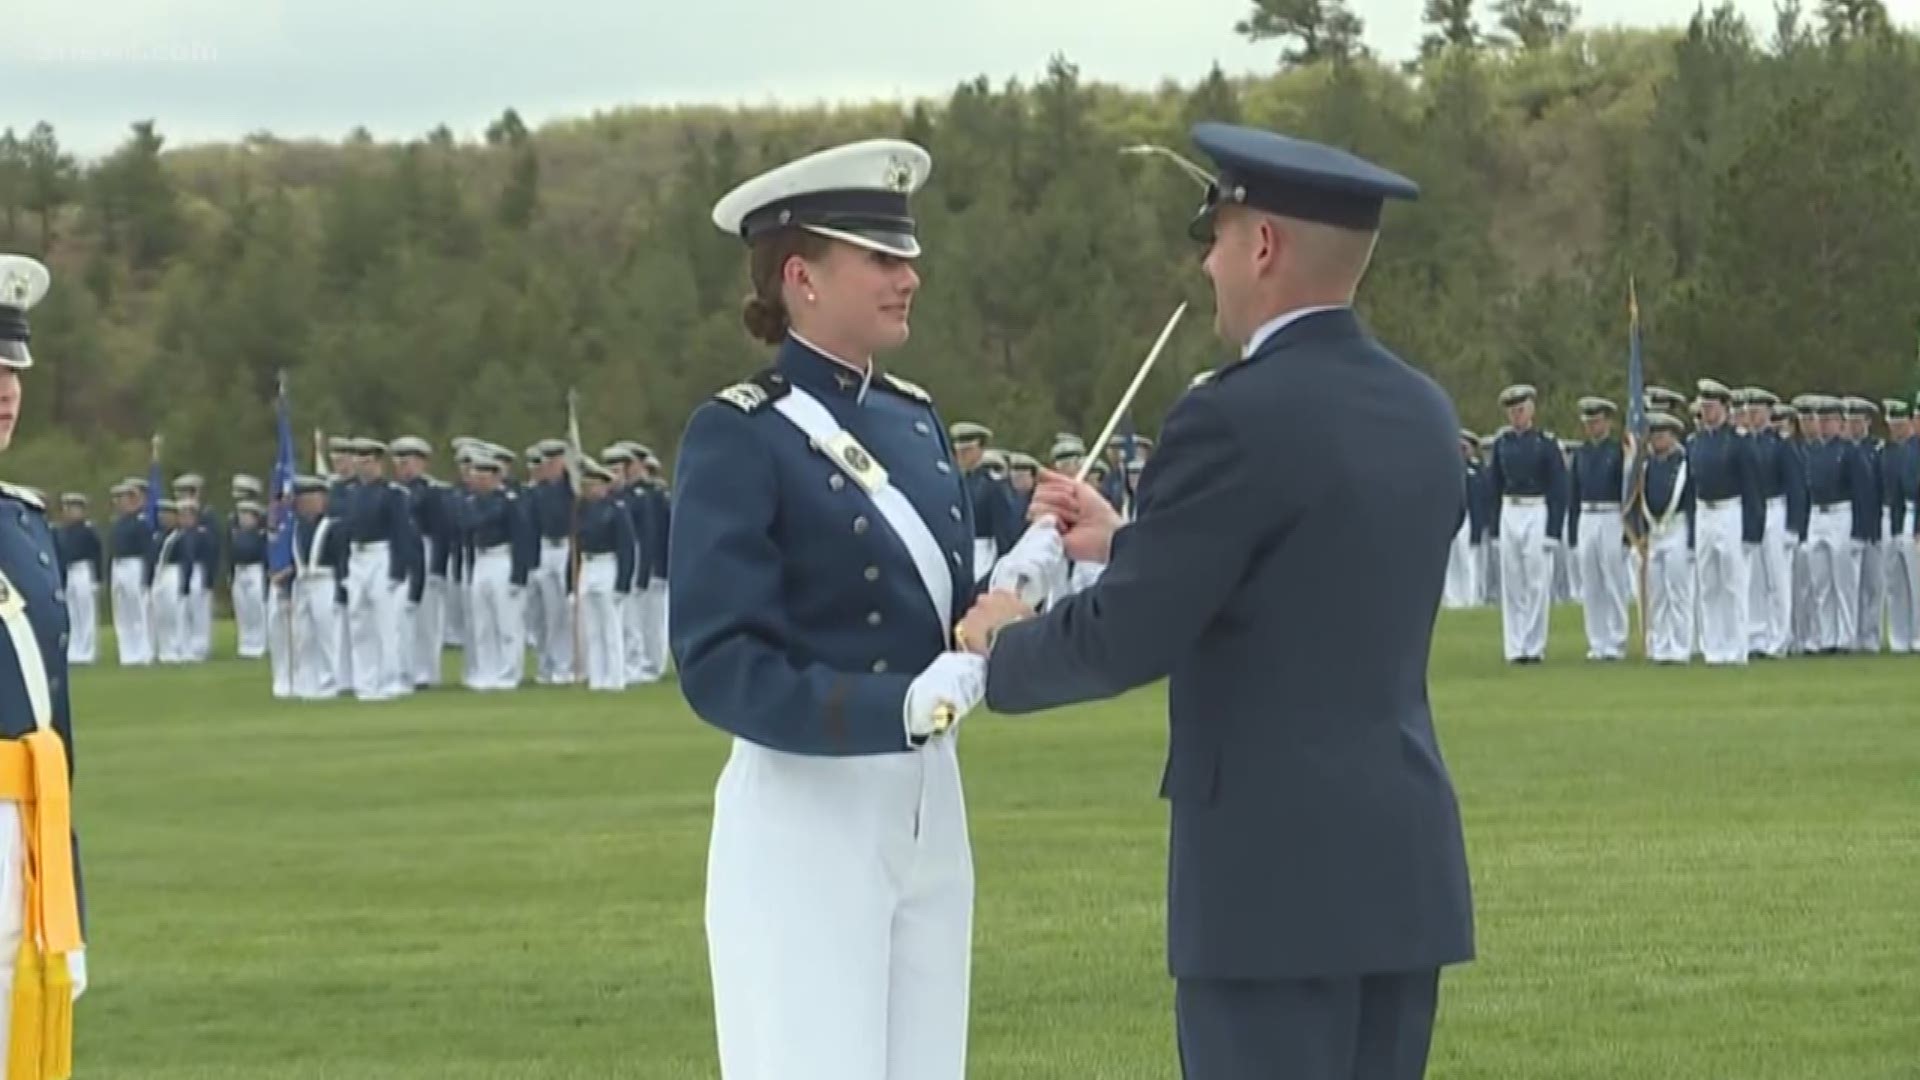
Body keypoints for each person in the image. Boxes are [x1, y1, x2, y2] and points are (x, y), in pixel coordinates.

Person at [956, 122, 1472, 1080]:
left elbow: (1129, 634)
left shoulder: (1230, 414)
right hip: (1400, 869)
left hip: (1270, 884)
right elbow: (1310, 568)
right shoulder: (1423, 411)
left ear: (1263, 245)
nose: (1209, 263)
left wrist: (1003, 643)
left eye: (1219, 235)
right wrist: (1127, 541)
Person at [670, 138, 989, 1080]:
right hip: (808, 805)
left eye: (908, 256)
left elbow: (933, 608)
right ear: (802, 277)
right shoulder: (739, 434)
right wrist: (883, 709)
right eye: (882, 259)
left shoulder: (917, 419)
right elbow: (721, 659)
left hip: (931, 795)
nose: (910, 277)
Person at [0, 253, 88, 1070]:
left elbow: (54, 728)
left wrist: (71, 888)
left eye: (13, 369)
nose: (5, 390)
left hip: (29, 833)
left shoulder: (25, 526)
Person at [1567, 398, 1629, 660]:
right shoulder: (1581, 454)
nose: (1593, 427)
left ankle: (1617, 639)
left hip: (1611, 514)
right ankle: (1597, 640)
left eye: (1597, 421)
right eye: (1589, 423)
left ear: (1608, 422)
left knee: (1613, 580)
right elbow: (1573, 494)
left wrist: (1628, 529)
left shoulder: (1618, 451)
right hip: (1587, 515)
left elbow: (1627, 490)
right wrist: (1572, 531)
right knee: (1590, 583)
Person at [55, 494, 105, 665]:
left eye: (73, 509)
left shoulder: (88, 531)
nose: (69, 512)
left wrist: (97, 579)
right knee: (73, 613)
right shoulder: (62, 532)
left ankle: (88, 650)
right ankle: (75, 649)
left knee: (86, 612)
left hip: (84, 569)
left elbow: (97, 555)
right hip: (69, 572)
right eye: (67, 509)